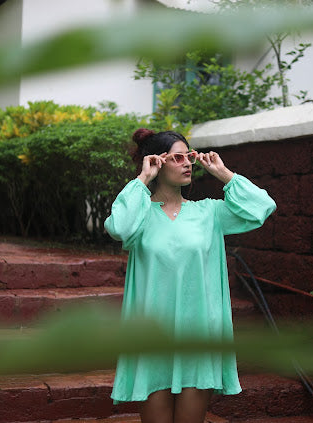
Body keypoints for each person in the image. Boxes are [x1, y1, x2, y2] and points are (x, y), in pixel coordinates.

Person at [104, 128, 276, 423]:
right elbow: (118, 227)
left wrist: (223, 173)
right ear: (157, 162)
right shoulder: (140, 214)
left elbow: (263, 207)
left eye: (190, 157)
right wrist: (142, 180)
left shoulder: (209, 213)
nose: (187, 163)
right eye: (178, 157)